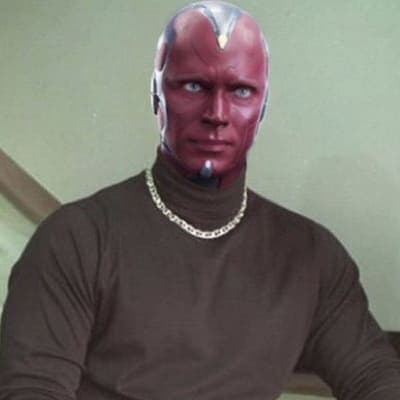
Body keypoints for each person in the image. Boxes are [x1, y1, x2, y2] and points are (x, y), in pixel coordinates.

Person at [0, 1, 399, 399]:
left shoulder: (311, 256)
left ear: (262, 107)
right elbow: (32, 388)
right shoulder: (76, 240)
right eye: (194, 86)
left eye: (241, 90)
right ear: (157, 95)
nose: (217, 114)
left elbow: (373, 374)